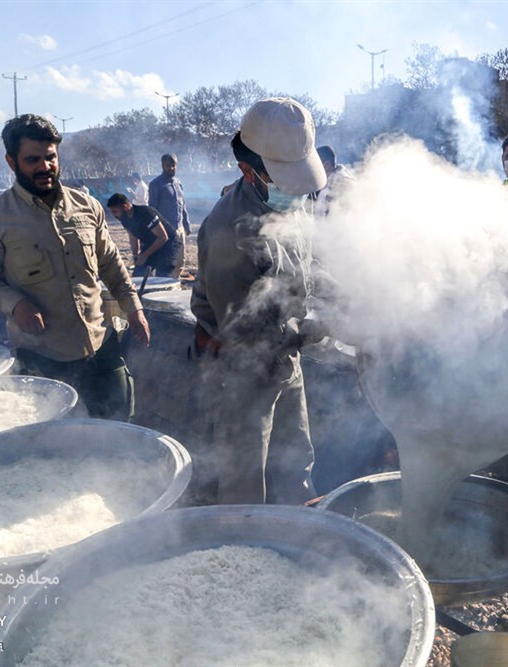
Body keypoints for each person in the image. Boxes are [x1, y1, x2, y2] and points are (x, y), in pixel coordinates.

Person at [189, 97, 327, 506]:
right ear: (247, 169)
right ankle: (242, 547)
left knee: (295, 459)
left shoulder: (292, 203)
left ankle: (299, 530)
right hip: (241, 366)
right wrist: (323, 326)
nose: (296, 192)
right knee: (244, 477)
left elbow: (306, 266)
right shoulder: (228, 232)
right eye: (285, 180)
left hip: (286, 357)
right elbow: (245, 330)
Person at [0, 114, 149, 422]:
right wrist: (17, 304)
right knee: (61, 449)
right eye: (33, 159)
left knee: (120, 430)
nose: (45, 166)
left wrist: (134, 308)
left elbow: (110, 263)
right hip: (43, 358)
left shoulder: (87, 207)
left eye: (50, 157)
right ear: (12, 162)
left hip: (100, 344)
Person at [106, 192, 180, 278]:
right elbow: (132, 235)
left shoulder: (146, 213)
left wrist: (144, 255)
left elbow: (163, 237)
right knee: (138, 275)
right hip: (150, 244)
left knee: (162, 276)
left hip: (168, 244)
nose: (114, 215)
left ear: (125, 207)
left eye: (115, 211)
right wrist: (136, 255)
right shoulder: (124, 218)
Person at [148, 153, 191, 278]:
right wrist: (156, 230)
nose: (171, 168)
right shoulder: (156, 184)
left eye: (173, 165)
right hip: (166, 231)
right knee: (166, 263)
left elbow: (182, 205)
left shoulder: (178, 183)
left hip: (180, 229)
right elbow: (152, 209)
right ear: (162, 166)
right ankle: (161, 290)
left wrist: (186, 225)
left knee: (180, 262)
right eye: (168, 166)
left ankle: (174, 287)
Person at [314, 144, 354, 218]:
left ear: (326, 165)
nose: (313, 170)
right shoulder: (327, 182)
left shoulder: (342, 184)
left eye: (315, 165)